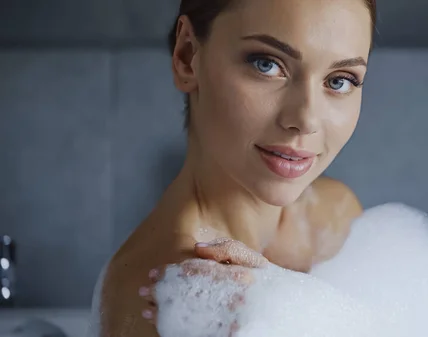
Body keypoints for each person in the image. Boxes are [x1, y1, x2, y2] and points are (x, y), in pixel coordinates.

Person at [94, 0, 376, 336]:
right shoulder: (160, 300)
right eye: (267, 64)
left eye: (340, 81)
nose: (305, 120)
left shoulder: (334, 212)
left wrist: (285, 304)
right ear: (187, 56)